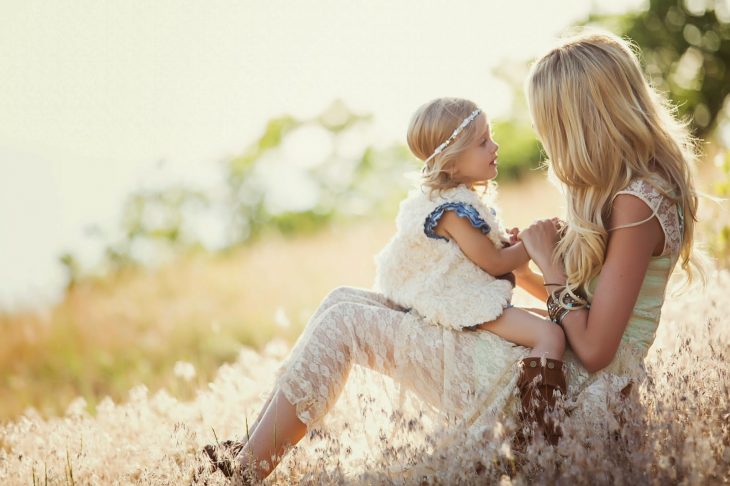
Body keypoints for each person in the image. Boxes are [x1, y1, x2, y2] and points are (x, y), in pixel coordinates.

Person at [200, 28, 704, 483]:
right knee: (341, 301)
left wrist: (549, 268)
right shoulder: (621, 191)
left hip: (567, 392)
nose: (546, 140)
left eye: (550, 123)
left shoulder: (639, 203)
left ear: (582, 120)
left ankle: (244, 475)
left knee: (345, 326)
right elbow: (577, 304)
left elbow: (596, 349)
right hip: (556, 362)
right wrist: (527, 262)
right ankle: (248, 453)